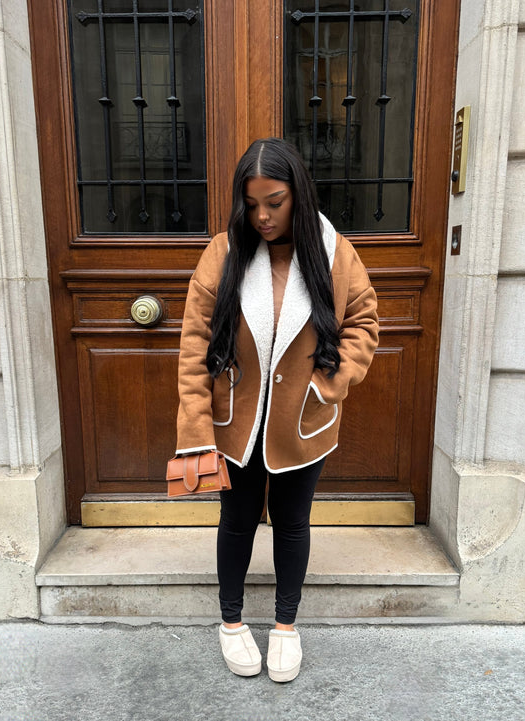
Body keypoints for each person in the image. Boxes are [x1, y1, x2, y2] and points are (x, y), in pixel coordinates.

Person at [175, 137, 379, 682]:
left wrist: (325, 386)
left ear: (298, 195)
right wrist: (195, 426)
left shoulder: (335, 253)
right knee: (236, 521)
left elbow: (363, 322)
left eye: (275, 202)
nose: (262, 216)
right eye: (251, 204)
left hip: (304, 421)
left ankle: (286, 626)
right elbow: (194, 346)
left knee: (292, 523)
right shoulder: (223, 253)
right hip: (234, 424)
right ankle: (231, 622)